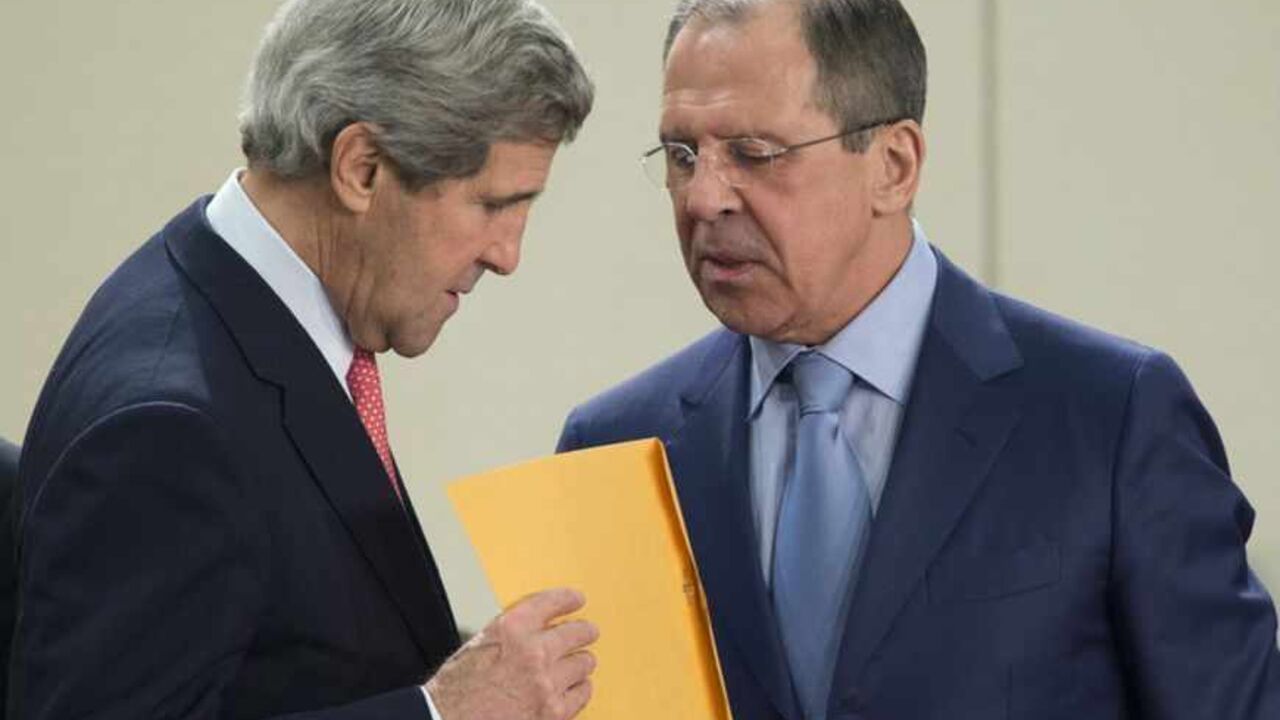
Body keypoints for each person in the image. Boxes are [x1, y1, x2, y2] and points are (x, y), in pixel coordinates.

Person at [556, 0, 1280, 718]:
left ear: (894, 166)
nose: (704, 197)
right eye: (682, 155)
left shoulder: (1112, 417)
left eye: (753, 153)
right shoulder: (612, 449)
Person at [12, 0, 598, 718]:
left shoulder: (239, 306)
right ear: (363, 167)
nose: (507, 255)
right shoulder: (169, 426)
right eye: (493, 205)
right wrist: (442, 713)